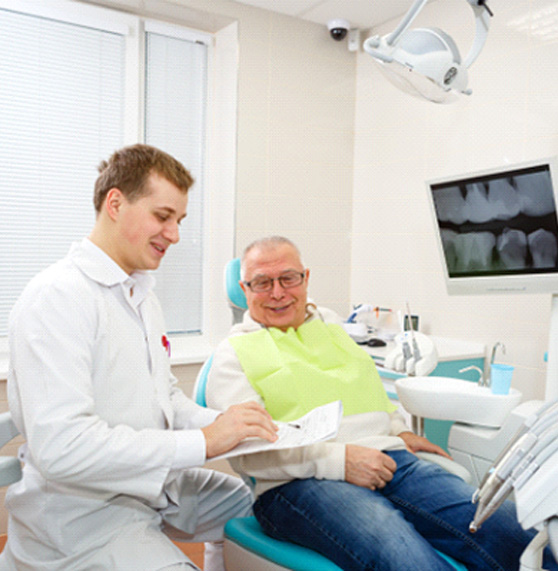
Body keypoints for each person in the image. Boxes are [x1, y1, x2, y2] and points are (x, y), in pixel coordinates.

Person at [206, 235, 558, 571]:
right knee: (402, 553)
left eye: (288, 278)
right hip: (295, 485)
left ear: (306, 278)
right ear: (245, 290)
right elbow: (250, 454)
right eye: (263, 283)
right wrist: (340, 461)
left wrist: (399, 430)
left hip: (389, 460)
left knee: (509, 530)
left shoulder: (331, 326)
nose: (278, 293)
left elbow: (366, 393)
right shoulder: (232, 355)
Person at [1, 145, 277, 571]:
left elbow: (164, 397)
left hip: (153, 487)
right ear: (115, 203)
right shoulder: (58, 298)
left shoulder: (141, 296)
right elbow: (62, 449)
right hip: (83, 516)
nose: (175, 234)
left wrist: (229, 424)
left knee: (265, 507)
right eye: (163, 216)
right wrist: (204, 442)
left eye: (179, 220)